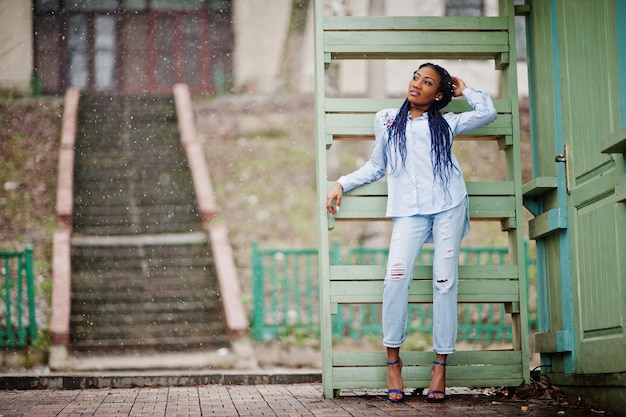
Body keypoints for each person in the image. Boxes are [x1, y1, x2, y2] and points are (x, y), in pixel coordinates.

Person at [325, 63, 497, 403]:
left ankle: (440, 366)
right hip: (409, 210)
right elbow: (377, 166)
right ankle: (393, 362)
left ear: (439, 95)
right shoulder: (388, 120)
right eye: (416, 77)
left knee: (444, 279)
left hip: (448, 203)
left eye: (428, 82)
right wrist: (342, 182)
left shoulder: (448, 123)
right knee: (395, 278)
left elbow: (487, 112)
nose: (417, 84)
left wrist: (465, 90)